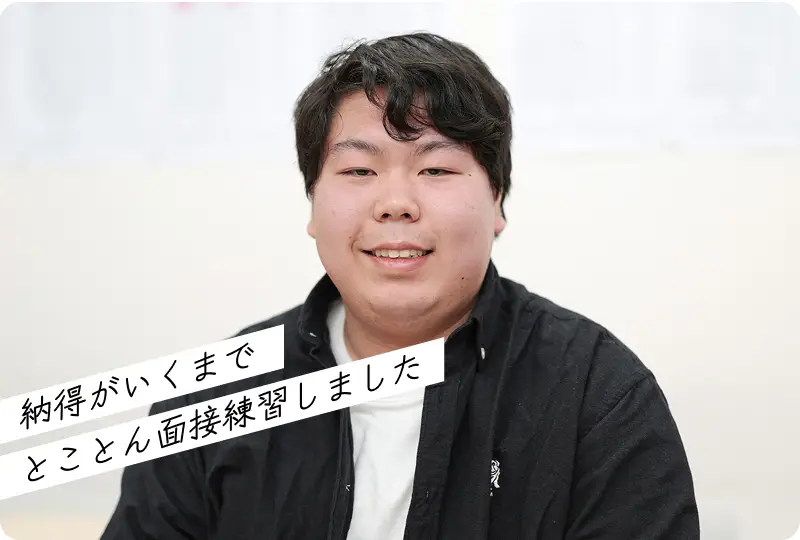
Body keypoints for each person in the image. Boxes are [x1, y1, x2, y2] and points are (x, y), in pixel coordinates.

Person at [101, 32, 699, 539]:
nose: (395, 203)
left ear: (497, 201)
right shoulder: (211, 399)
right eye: (359, 170)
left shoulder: (597, 394)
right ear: (312, 203)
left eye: (436, 168)